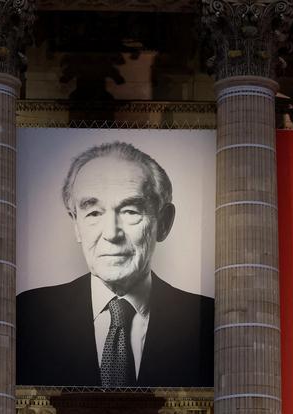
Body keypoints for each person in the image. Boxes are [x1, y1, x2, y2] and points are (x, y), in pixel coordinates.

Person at [17, 140, 213, 388]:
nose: (111, 233)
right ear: (76, 225)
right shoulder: (26, 316)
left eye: (130, 211)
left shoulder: (209, 322)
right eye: (94, 213)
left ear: (163, 223)